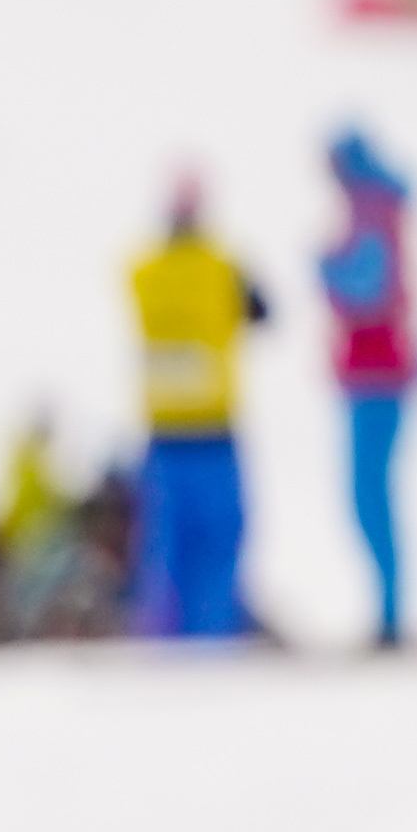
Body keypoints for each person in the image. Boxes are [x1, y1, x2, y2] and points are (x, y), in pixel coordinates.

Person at [129, 178, 268, 641]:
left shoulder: (143, 270)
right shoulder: (221, 267)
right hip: (213, 430)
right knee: (218, 545)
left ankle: (162, 640)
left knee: (166, 549)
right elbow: (264, 313)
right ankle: (215, 637)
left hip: (163, 432)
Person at [317, 134, 417, 648]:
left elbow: (369, 287)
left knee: (369, 497)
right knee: (370, 496)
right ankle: (387, 611)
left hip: (377, 374)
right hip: (373, 373)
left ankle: (391, 615)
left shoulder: (372, 210)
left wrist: (329, 270)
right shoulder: (380, 207)